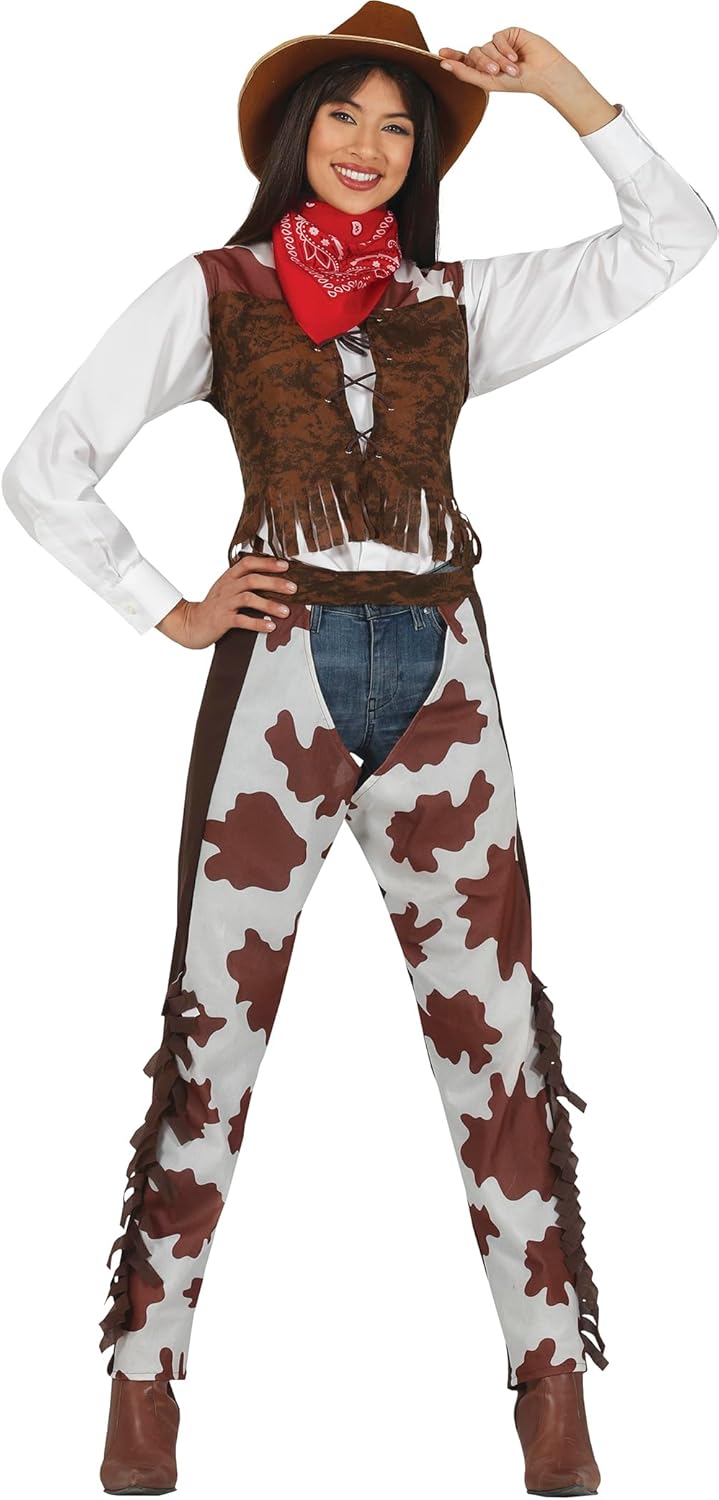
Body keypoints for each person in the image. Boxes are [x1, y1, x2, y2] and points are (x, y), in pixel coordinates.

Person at [3, 4, 716, 1495]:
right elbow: (47, 463)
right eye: (346, 115)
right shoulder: (216, 288)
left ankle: (551, 1381)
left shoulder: (454, 301)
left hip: (444, 672)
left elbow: (674, 238)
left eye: (400, 127)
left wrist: (566, 90)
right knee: (217, 1022)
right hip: (283, 673)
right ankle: (144, 1376)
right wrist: (169, 607)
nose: (370, 147)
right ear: (295, 131)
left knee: (496, 1033)